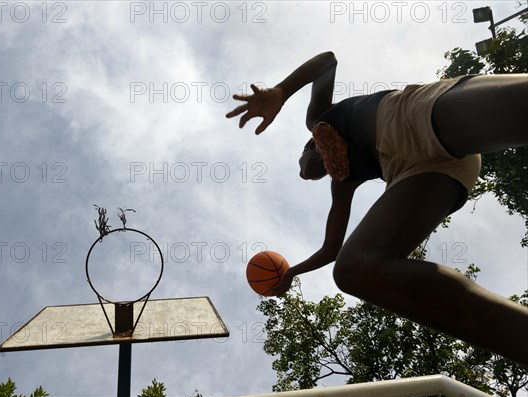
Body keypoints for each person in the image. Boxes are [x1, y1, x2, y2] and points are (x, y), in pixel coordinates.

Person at [226, 51, 528, 366]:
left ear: (309, 147)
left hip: (411, 116)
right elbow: (331, 249)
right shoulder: (342, 183)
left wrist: (281, 92)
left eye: (301, 166)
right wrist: (290, 273)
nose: (303, 173)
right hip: (417, 174)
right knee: (354, 269)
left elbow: (327, 62)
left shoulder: (318, 120)